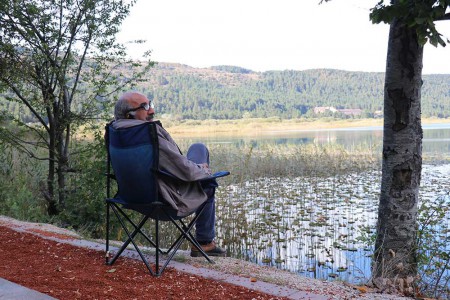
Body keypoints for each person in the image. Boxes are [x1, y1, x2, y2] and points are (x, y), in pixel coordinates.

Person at [111, 91, 226, 257]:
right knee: (208, 183)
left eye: (150, 104)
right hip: (165, 201)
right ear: (130, 115)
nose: (151, 111)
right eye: (145, 107)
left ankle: (204, 242)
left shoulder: (114, 132)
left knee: (197, 148)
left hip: (130, 198)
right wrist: (203, 170)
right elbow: (185, 171)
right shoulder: (146, 133)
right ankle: (204, 242)